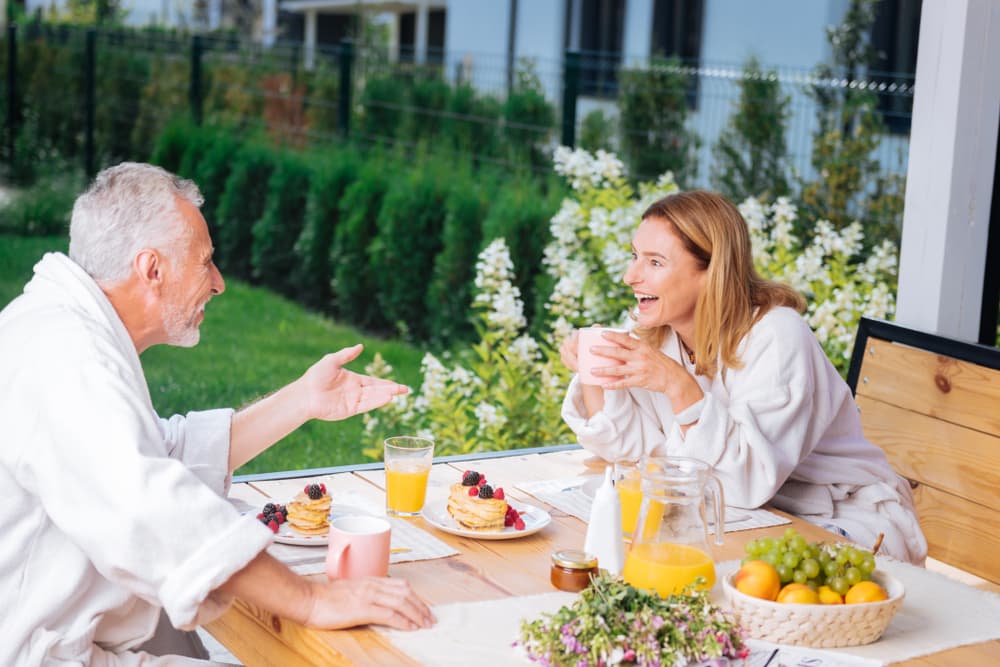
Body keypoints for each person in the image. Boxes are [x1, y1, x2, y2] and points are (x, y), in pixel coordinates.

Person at [0, 162, 435, 666]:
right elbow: (149, 507)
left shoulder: (61, 330)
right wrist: (312, 600)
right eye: (205, 261)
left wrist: (302, 400)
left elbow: (159, 456)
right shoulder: (69, 357)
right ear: (152, 269)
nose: (220, 282)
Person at [559, 190, 927, 564]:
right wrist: (592, 370)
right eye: (634, 256)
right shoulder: (660, 332)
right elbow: (630, 452)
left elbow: (745, 483)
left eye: (655, 262)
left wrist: (677, 386)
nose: (630, 276)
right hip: (745, 520)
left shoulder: (778, 336)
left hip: (842, 519)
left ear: (712, 271)